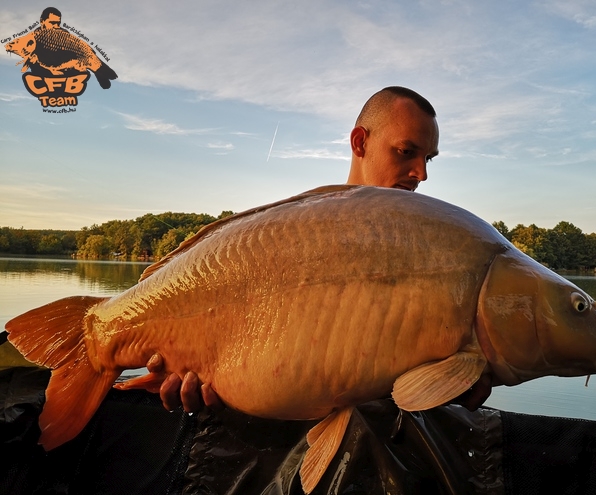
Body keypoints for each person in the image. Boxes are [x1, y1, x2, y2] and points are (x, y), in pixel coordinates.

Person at [146, 86, 445, 413]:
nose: (422, 174)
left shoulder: (431, 249)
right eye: (406, 151)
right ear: (360, 142)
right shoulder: (292, 234)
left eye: (427, 158)